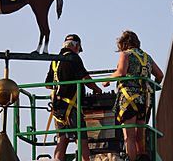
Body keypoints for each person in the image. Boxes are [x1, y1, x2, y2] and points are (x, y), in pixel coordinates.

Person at [102, 31, 163, 161]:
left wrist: (107, 80)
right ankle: (142, 157)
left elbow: (121, 72)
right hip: (145, 100)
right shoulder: (147, 57)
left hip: (128, 99)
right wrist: (151, 87)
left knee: (128, 136)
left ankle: (132, 159)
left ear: (125, 44)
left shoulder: (126, 54)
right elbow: (160, 76)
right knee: (139, 135)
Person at [45, 34, 102, 161]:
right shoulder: (74, 58)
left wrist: (61, 84)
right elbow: (85, 78)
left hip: (58, 107)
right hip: (72, 107)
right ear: (76, 46)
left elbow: (48, 84)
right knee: (81, 139)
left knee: (62, 139)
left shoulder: (55, 60)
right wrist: (97, 89)